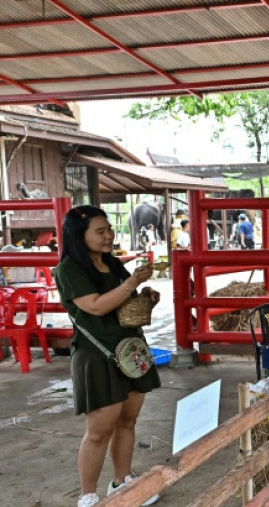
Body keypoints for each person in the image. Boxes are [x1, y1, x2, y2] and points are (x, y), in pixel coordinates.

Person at [53, 205, 161, 507]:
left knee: (128, 421)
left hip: (131, 350)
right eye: (100, 231)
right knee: (99, 431)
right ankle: (88, 494)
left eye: (109, 229)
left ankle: (122, 482)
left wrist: (144, 298)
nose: (108, 235)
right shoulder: (69, 270)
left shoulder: (112, 264)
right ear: (79, 235)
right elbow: (97, 306)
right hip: (97, 355)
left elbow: (125, 305)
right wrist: (131, 284)